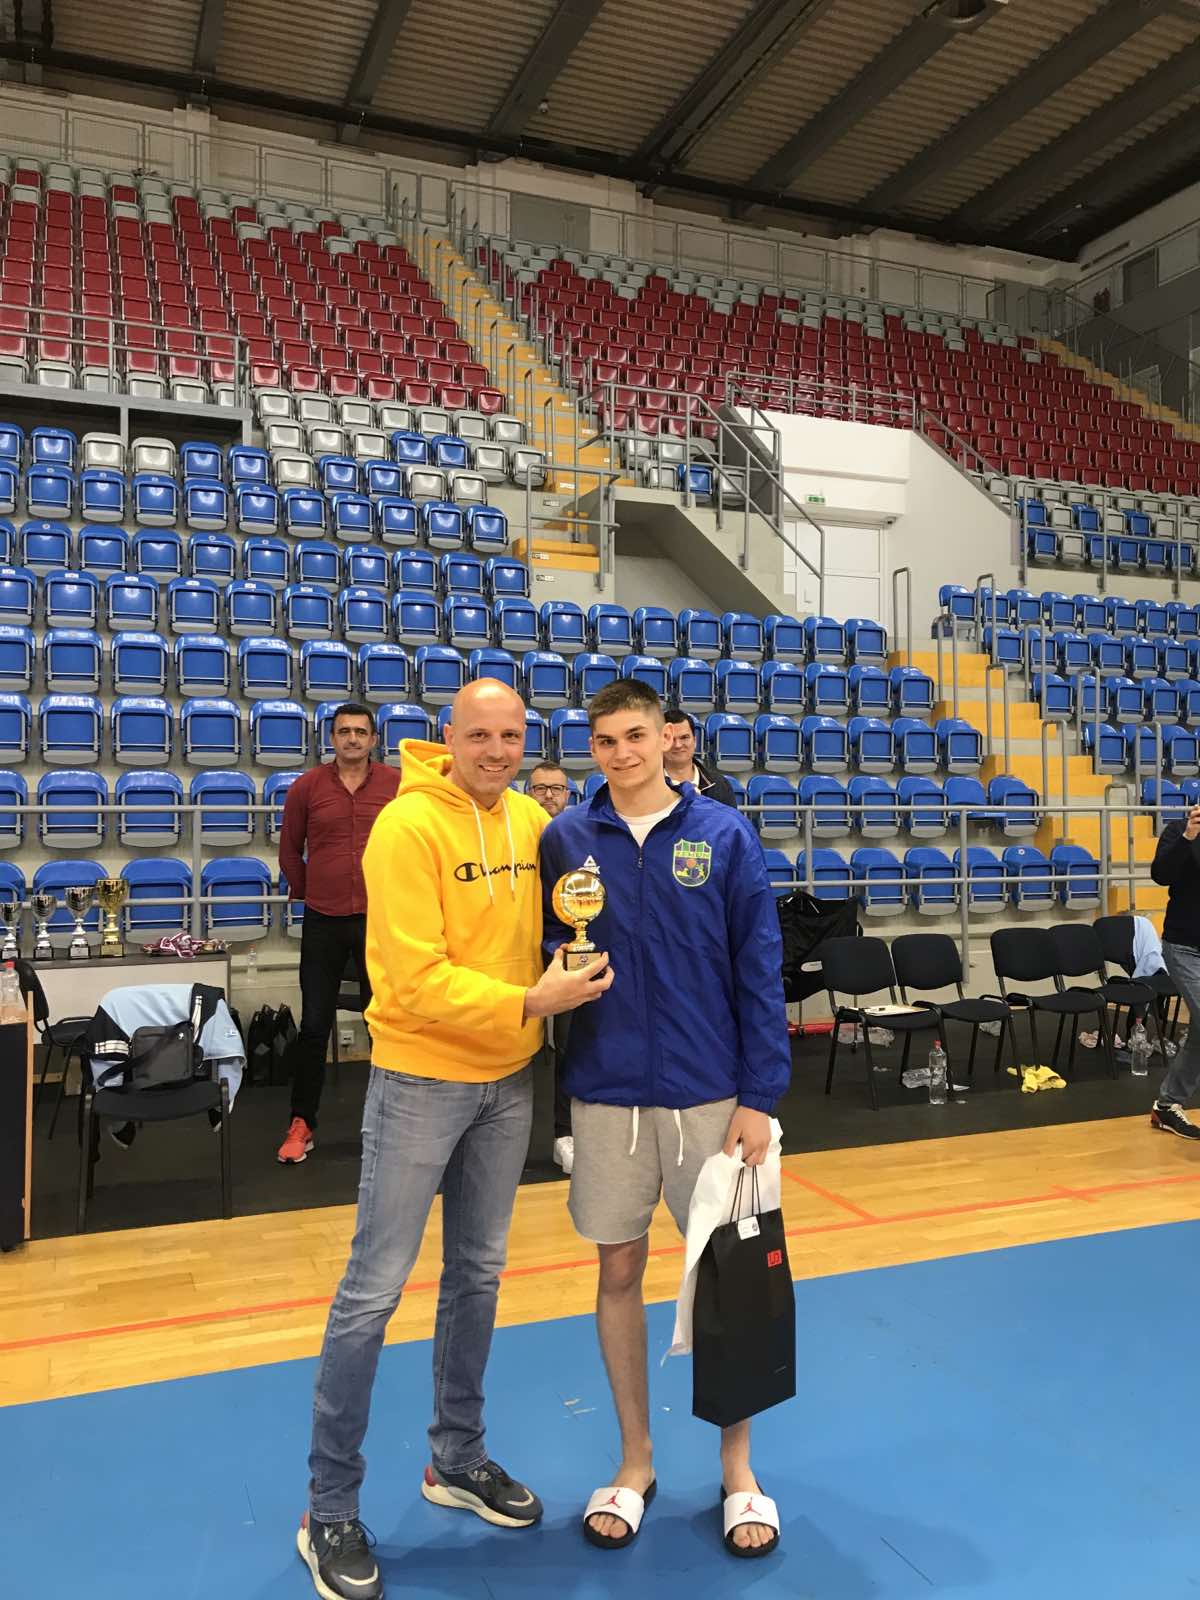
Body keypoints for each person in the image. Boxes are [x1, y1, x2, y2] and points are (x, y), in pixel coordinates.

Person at [299, 679, 613, 1600]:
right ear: (449, 735)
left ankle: (457, 1458)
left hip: (507, 1081)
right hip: (420, 1080)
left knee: (477, 1276)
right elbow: (411, 977)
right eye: (480, 735)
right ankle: (329, 1509)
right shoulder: (406, 826)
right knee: (372, 1292)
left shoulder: (530, 820)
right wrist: (530, 999)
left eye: (511, 736)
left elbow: (558, 918)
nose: (496, 751)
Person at [539, 678, 791, 1560]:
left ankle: (738, 1468)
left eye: (635, 736)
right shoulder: (565, 838)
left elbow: (759, 966)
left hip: (711, 1095)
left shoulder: (723, 835)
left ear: (667, 738)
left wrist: (760, 1094)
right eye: (605, 740)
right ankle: (636, 1460)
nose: (622, 753)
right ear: (593, 748)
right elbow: (549, 947)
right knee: (617, 1269)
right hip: (608, 1092)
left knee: (729, 1282)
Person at [276, 703, 400, 1164]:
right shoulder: (307, 787)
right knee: (313, 1025)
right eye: (344, 731)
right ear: (332, 738)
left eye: (360, 732)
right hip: (323, 919)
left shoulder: (396, 785)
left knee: (384, 1023)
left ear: (373, 739)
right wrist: (312, 891)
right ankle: (301, 1123)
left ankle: (392, 1120)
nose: (352, 739)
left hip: (381, 920)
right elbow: (290, 851)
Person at [526, 761, 576, 1172]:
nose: (548, 796)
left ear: (568, 795)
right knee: (509, 1045)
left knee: (569, 1043)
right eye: (540, 788)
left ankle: (566, 1134)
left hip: (563, 949)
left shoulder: (579, 834)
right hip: (517, 949)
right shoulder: (513, 832)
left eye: (556, 789)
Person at [1147, 804, 1200, 1139]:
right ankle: (1168, 1104)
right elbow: (1161, 874)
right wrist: (1188, 838)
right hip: (1184, 946)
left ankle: (1167, 1105)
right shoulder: (1178, 831)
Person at [663, 706, 736, 806]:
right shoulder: (646, 786)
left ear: (695, 741)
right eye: (670, 738)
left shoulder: (720, 786)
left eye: (684, 737)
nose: (678, 745)